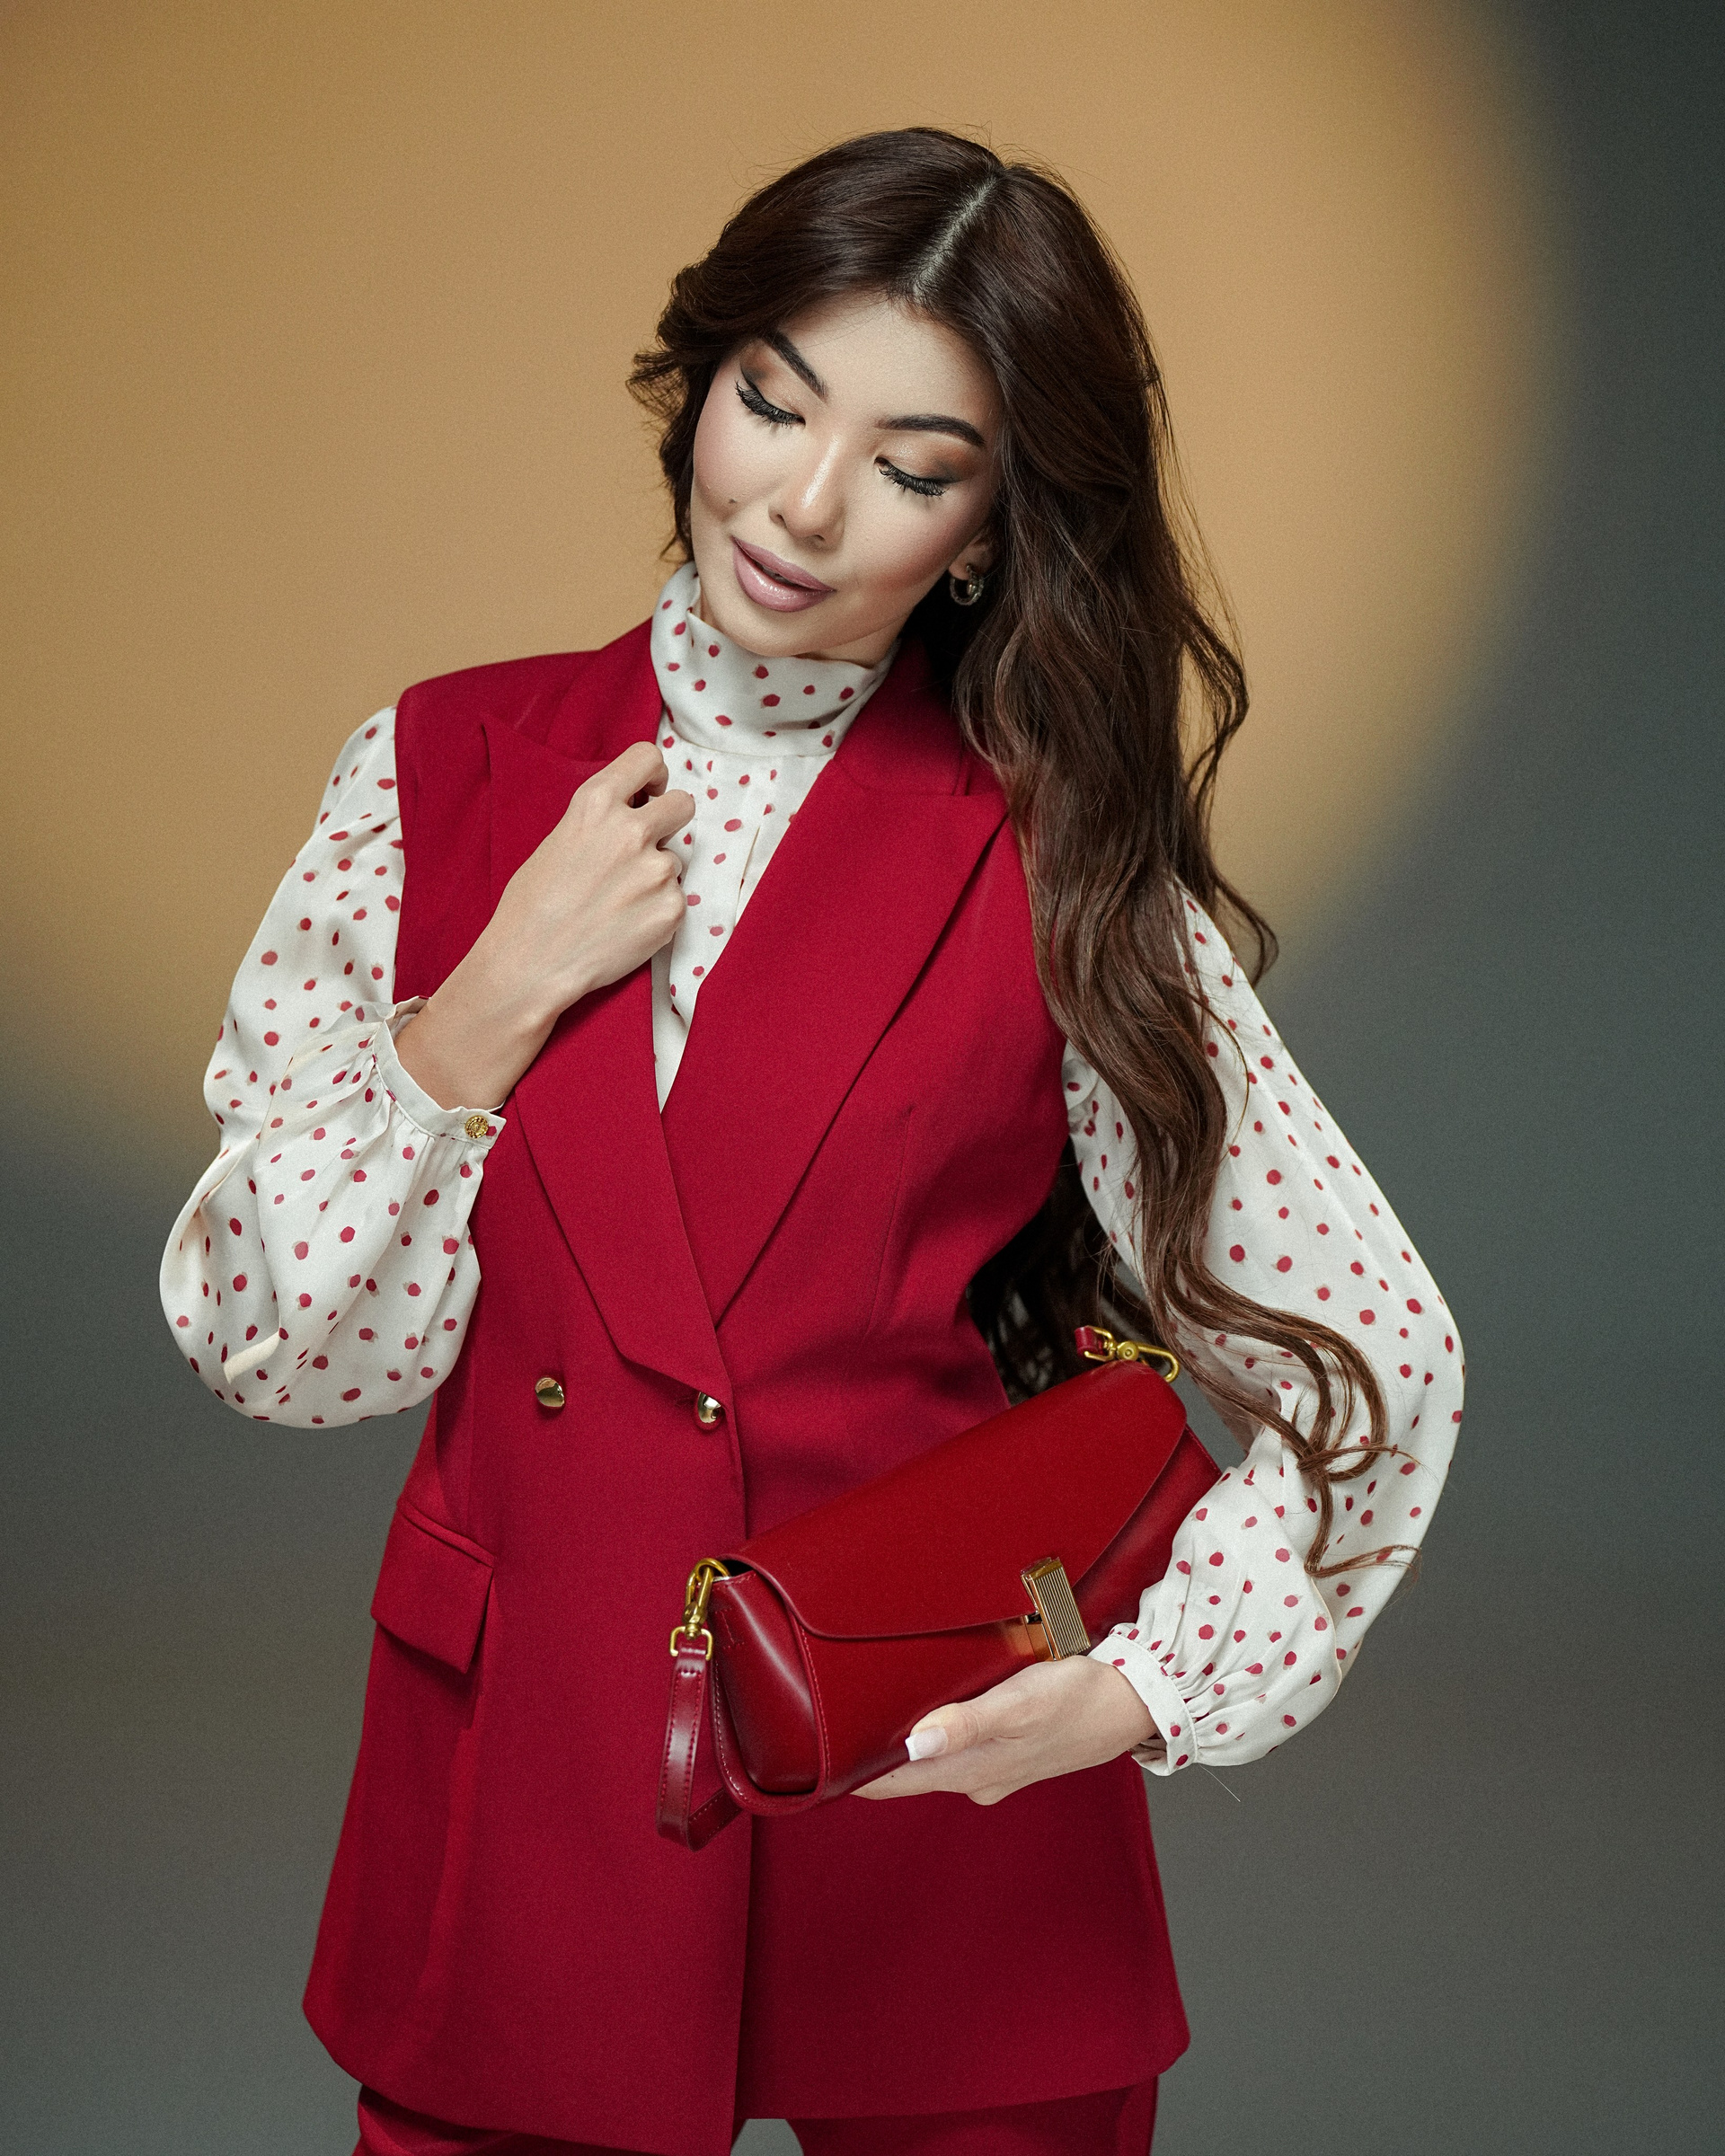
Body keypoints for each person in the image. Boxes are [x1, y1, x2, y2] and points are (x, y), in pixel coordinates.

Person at [160, 128, 1463, 2156]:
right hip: (536, 1790)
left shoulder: (1060, 855)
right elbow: (287, 1350)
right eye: (774, 402)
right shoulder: (439, 770)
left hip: (937, 1771)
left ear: (992, 526)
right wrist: (497, 988)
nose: (803, 502)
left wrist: (1138, 1693)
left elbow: (1373, 1351)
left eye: (914, 465)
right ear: (699, 381)